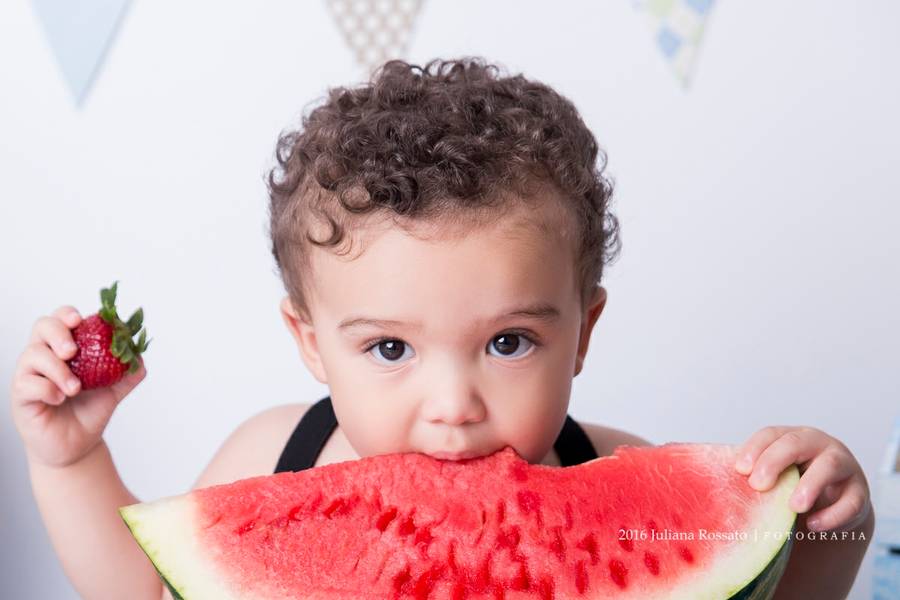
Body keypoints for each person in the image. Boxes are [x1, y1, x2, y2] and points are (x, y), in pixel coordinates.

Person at [10, 57, 873, 600]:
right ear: (311, 343)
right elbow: (150, 590)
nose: (453, 405)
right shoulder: (273, 454)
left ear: (583, 333)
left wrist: (826, 531)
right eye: (390, 348)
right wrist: (72, 461)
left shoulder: (614, 466)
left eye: (508, 343)